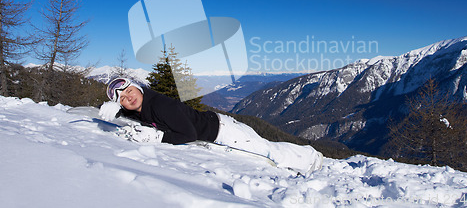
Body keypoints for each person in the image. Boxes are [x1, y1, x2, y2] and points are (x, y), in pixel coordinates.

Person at [100, 77, 323, 176]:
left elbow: (188, 134)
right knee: (265, 153)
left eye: (129, 91)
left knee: (267, 152)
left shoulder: (159, 104)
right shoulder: (141, 109)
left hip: (224, 131)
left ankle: (311, 158)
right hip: (217, 130)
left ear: (137, 88)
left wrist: (158, 139)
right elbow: (141, 122)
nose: (127, 98)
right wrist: (117, 115)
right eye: (121, 99)